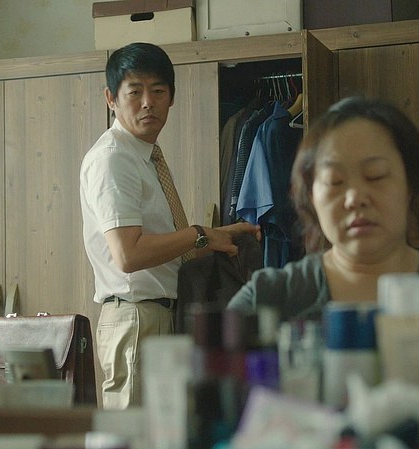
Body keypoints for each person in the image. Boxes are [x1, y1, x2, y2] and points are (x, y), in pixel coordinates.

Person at [79, 42, 260, 409]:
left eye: (158, 91)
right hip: (137, 317)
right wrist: (198, 234)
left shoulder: (145, 157)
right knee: (135, 433)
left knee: (166, 431)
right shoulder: (114, 158)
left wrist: (215, 237)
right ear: (111, 99)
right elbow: (128, 255)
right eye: (135, 92)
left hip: (160, 315)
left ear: (171, 98)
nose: (148, 102)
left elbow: (162, 245)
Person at [227, 96, 419, 320]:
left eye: (376, 176)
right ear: (311, 197)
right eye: (334, 181)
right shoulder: (265, 300)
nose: (355, 198)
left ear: (412, 184)